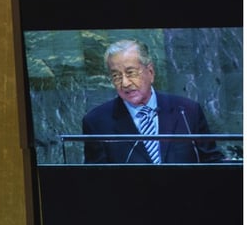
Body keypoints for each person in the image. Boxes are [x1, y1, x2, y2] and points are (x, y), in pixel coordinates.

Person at [81, 38, 221, 164]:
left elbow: (212, 161)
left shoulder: (187, 111)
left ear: (150, 72)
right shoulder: (97, 122)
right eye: (116, 76)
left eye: (131, 73)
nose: (125, 83)